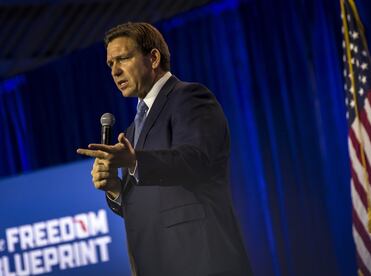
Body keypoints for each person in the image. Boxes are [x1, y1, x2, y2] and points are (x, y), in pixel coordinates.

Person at [77, 22, 252, 276]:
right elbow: (146, 203)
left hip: (201, 261)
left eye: (123, 59)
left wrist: (135, 161)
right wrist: (115, 188)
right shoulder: (134, 129)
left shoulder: (189, 97)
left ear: (153, 58)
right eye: (110, 64)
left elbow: (195, 160)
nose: (115, 71)